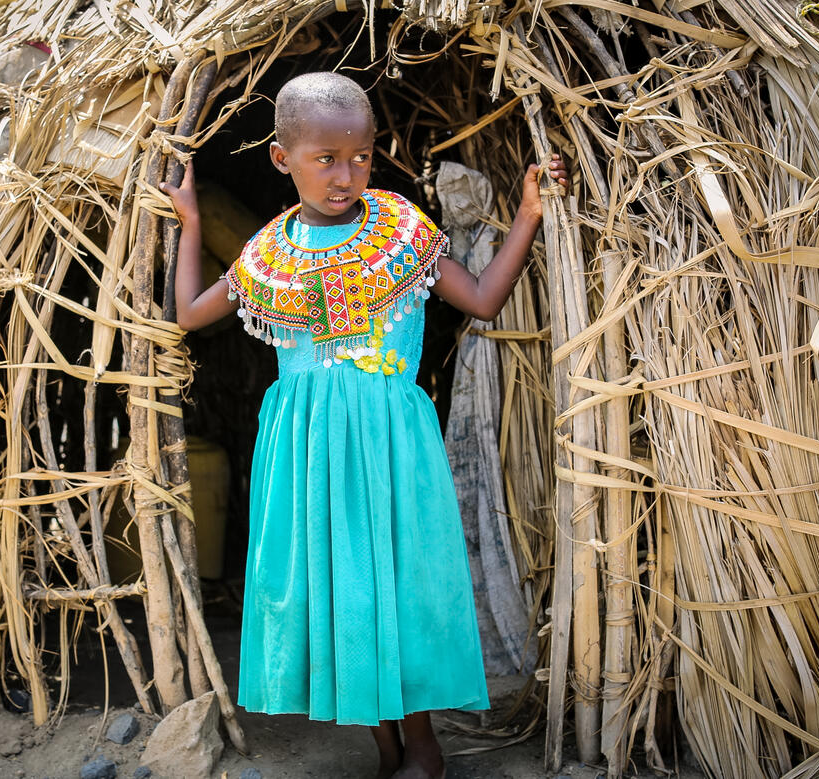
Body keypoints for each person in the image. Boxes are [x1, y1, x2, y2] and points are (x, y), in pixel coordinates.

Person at [160, 71, 568, 779]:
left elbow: (483, 299)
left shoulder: (401, 233)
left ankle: (426, 749)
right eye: (325, 159)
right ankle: (385, 749)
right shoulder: (269, 254)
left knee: (400, 588)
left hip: (387, 443)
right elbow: (191, 312)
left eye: (361, 156)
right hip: (306, 452)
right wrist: (193, 223)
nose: (345, 174)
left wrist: (529, 212)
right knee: (339, 591)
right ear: (282, 160)